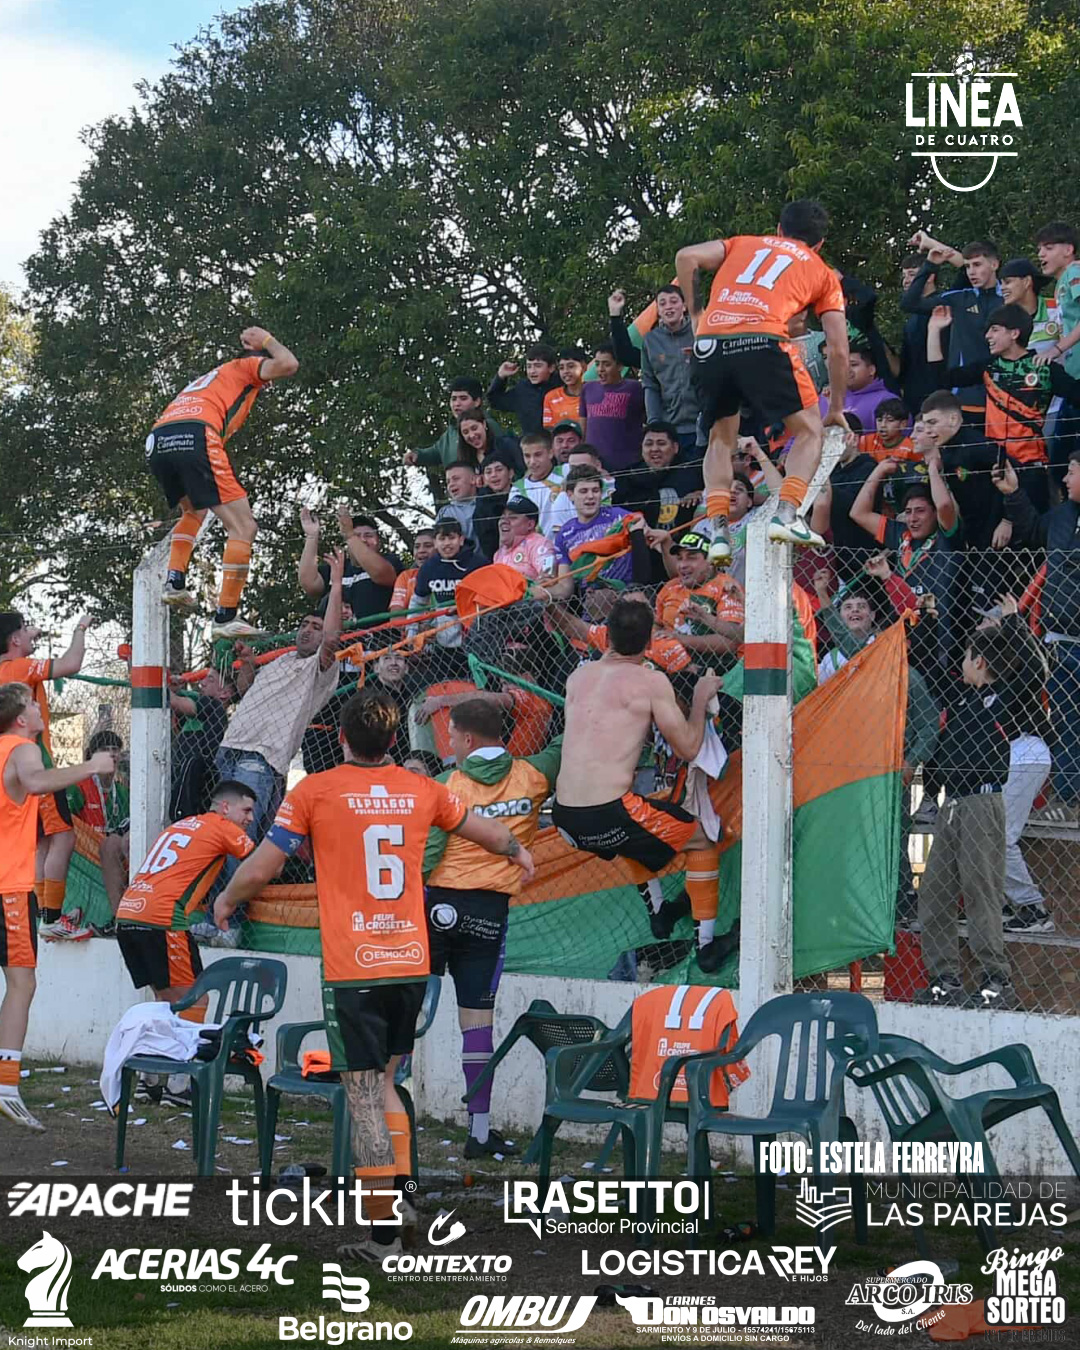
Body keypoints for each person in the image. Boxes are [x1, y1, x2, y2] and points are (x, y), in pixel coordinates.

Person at [215, 690, 535, 1263]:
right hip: (410, 962)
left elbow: (264, 864)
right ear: (393, 741)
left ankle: (383, 1236)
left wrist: (227, 898)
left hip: (353, 967)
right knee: (387, 1085)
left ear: (341, 738)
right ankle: (404, 1201)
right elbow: (484, 830)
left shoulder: (315, 790)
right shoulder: (422, 788)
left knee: (362, 1097)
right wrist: (518, 850)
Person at [423, 698, 560, 1157]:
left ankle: (387, 1114)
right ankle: (479, 1132)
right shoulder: (533, 774)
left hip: (437, 906)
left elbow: (429, 852)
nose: (449, 743)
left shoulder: (447, 784)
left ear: (465, 738)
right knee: (477, 1022)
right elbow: (568, 741)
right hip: (488, 912)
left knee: (409, 1013)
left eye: (451, 735)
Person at [675, 198, 849, 560]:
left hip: (710, 343)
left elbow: (686, 256)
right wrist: (835, 407)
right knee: (810, 431)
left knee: (720, 438)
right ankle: (787, 515)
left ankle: (718, 531)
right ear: (819, 243)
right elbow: (838, 349)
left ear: (779, 230)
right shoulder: (822, 272)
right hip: (763, 340)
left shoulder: (743, 243)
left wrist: (696, 316)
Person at [189, 554, 345, 945]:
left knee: (236, 839)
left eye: (315, 626)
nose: (308, 630)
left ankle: (228, 924)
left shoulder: (323, 668)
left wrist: (336, 582)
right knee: (225, 838)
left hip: (260, 759)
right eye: (304, 624)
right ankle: (217, 918)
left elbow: (332, 639)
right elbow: (245, 691)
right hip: (231, 751)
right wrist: (246, 662)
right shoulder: (282, 660)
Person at [0, 682, 117, 1129]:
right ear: (21, 718)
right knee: (22, 983)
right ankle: (6, 1086)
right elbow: (34, 782)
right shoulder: (23, 747)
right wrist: (92, 765)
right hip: (8, 888)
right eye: (33, 703)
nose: (39, 707)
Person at [552, 596, 723, 873]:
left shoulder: (577, 677)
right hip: (609, 813)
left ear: (607, 637)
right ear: (650, 643)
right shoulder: (651, 681)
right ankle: (703, 905)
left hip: (564, 816)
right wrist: (700, 696)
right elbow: (689, 749)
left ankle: (655, 900)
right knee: (702, 837)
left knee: (638, 842)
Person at [151, 326, 299, 638]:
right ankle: (226, 616)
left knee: (194, 511)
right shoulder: (245, 367)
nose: (269, 381)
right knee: (243, 527)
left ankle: (174, 582)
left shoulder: (212, 379)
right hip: (195, 433)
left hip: (159, 440)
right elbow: (289, 363)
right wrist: (267, 340)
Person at [114, 781, 257, 1090]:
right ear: (225, 807)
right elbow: (261, 863)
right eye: (246, 810)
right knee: (195, 999)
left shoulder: (181, 825)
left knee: (164, 1000)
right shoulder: (222, 826)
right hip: (162, 918)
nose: (250, 818)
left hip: (129, 913)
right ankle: (181, 1084)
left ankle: (150, 1078)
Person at [915, 627, 1015, 1011]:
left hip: (981, 802)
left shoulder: (1004, 697)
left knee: (980, 889)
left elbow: (1028, 668)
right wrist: (927, 619)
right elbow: (930, 664)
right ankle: (945, 979)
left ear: (980, 661)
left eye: (966, 657)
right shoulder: (961, 698)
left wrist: (1012, 624)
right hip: (952, 804)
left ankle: (995, 978)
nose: (960, 665)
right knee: (935, 891)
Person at [930, 303, 1080, 515]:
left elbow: (1076, 394)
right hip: (994, 467)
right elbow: (942, 379)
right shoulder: (988, 367)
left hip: (1031, 468)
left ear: (1014, 333)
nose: (987, 336)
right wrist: (934, 330)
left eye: (994, 330)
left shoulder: (1044, 369)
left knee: (1033, 530)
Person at [995, 452, 1080, 815]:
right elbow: (1031, 531)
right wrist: (1013, 493)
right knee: (1065, 724)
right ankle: (1067, 801)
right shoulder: (1062, 516)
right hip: (1060, 643)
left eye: (1072, 472)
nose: (1065, 479)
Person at [0, 611, 93, 937]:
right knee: (64, 838)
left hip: (13, 770)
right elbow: (71, 664)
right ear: (14, 639)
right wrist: (80, 628)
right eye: (24, 629)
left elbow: (22, 644)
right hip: (35, 765)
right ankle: (51, 918)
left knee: (41, 842)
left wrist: (29, 635)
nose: (31, 632)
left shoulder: (6, 669)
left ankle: (43, 915)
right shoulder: (20, 668)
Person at [975, 596, 1055, 933]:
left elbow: (1037, 669)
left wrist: (1012, 623)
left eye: (986, 621)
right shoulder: (989, 679)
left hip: (1027, 751)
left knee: (998, 835)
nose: (979, 625)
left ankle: (1033, 909)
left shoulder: (1018, 668)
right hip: (1007, 759)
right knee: (987, 834)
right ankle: (1011, 902)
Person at [849, 450, 964, 673]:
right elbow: (858, 513)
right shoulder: (900, 534)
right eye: (908, 512)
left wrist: (933, 469)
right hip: (903, 636)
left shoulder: (946, 537)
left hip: (939, 639)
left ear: (934, 514)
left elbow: (944, 506)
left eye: (920, 511)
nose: (913, 518)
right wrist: (879, 470)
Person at [901, 233, 1001, 414]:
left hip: (1004, 393)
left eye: (977, 265)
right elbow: (909, 303)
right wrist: (930, 265)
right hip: (965, 396)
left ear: (994, 265)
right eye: (968, 266)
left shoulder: (1010, 297)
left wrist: (931, 242)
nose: (971, 272)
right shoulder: (959, 298)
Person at [549, 466, 652, 599]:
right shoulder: (564, 534)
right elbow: (565, 588)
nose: (590, 496)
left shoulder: (619, 517)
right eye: (583, 491)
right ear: (570, 495)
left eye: (595, 490)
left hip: (626, 596)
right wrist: (540, 591)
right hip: (591, 601)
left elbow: (646, 532)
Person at [652, 532, 744, 669]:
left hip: (718, 669)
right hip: (671, 667)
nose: (683, 565)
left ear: (710, 562)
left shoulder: (726, 587)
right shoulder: (670, 587)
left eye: (691, 558)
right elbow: (656, 625)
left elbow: (731, 642)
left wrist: (679, 639)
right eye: (679, 558)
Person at [1034, 222, 1080, 483]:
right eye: (1040, 249)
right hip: (1073, 375)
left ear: (1068, 250)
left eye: (1049, 248)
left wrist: (1057, 349)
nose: (1041, 254)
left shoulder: (1075, 271)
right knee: (1062, 459)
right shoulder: (1060, 284)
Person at [298, 508, 402, 622]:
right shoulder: (337, 567)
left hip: (380, 633)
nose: (362, 540)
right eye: (357, 535)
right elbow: (309, 584)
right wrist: (312, 536)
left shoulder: (390, 561)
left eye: (368, 535)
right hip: (336, 633)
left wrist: (350, 535)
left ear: (379, 542)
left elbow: (382, 574)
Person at [638, 285, 703, 455]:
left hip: (703, 423)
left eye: (674, 301)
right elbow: (650, 384)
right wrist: (654, 423)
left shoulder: (700, 332)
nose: (668, 307)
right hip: (670, 428)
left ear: (684, 306)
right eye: (663, 303)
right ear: (658, 310)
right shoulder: (651, 340)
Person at [169, 667, 235, 821]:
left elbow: (174, 701)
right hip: (182, 782)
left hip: (194, 788)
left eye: (210, 680)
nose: (202, 683)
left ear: (225, 693)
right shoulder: (196, 716)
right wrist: (173, 689)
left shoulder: (214, 706)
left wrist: (158, 683)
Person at [614, 421, 703, 532]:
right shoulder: (627, 476)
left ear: (675, 447)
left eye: (661, 443)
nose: (654, 449)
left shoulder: (692, 472)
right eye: (649, 444)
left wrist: (700, 494)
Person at [404, 378, 503, 470]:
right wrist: (417, 455)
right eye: (454, 399)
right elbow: (435, 452)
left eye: (463, 398)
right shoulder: (450, 433)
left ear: (477, 401)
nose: (457, 404)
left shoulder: (489, 426)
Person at [579, 344, 646, 473]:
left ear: (620, 366)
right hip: (594, 464)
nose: (600, 369)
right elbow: (583, 426)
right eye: (597, 364)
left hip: (627, 464)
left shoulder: (635, 388)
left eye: (606, 364)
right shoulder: (587, 388)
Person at [512, 431, 575, 538]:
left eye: (538, 455)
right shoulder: (518, 488)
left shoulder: (566, 472)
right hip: (538, 546)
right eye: (527, 456)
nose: (532, 461)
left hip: (571, 541)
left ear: (550, 453)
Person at [898, 252, 938, 417]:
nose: (906, 281)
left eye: (912, 274)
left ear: (929, 277)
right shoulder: (913, 317)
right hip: (913, 392)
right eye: (904, 276)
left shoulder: (942, 305)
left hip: (936, 391)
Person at [488, 346, 561, 434]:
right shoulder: (522, 389)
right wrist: (501, 376)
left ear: (551, 368)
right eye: (529, 366)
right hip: (531, 440)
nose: (532, 371)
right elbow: (495, 401)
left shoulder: (562, 386)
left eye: (538, 366)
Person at [820, 346, 894, 432]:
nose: (846, 370)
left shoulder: (887, 400)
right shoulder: (825, 397)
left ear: (871, 370)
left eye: (853, 365)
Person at [999, 258, 1061, 352]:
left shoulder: (1056, 308)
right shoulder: (1002, 318)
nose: (1002, 288)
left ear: (1027, 281)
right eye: (1001, 284)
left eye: (1008, 282)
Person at [493, 496, 557, 584]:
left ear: (530, 525)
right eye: (503, 516)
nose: (504, 521)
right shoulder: (498, 554)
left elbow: (548, 577)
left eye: (512, 517)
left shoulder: (540, 544)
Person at [454, 407, 525, 477]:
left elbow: (525, 471)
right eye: (465, 432)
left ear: (484, 424)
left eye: (474, 428)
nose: (472, 435)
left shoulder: (506, 445)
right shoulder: (465, 460)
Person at [389, 529, 437, 617]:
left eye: (428, 546)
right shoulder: (406, 576)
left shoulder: (452, 572)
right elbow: (396, 613)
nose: (421, 550)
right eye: (417, 547)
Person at [433, 462, 482, 547]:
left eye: (456, 479)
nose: (451, 484)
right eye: (448, 482)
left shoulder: (487, 505)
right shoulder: (446, 512)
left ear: (473, 479)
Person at [543, 348, 588, 433]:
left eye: (571, 366)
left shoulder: (594, 393)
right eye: (561, 368)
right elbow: (549, 429)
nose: (565, 371)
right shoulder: (551, 397)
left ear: (583, 367)